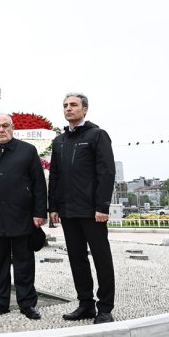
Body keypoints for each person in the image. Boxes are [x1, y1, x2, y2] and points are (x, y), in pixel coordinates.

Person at [49, 93, 116, 324]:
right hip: (68, 211)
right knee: (77, 259)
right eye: (65, 105)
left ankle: (105, 307)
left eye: (73, 105)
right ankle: (85, 304)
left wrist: (102, 206)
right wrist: (53, 206)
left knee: (101, 258)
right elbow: (55, 176)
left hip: (92, 211)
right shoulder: (58, 141)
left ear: (85, 110)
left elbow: (106, 173)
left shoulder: (97, 135)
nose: (68, 108)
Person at [0, 113, 47, 320]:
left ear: (12, 127)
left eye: (5, 125)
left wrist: (39, 213)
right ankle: (0, 302)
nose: (1, 130)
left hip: (22, 216)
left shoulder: (27, 151)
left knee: (24, 262)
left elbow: (39, 185)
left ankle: (27, 303)